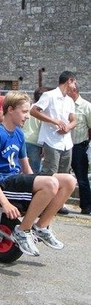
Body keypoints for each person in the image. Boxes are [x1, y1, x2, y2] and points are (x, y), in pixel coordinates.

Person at [0, 91, 76, 257]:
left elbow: (27, 170)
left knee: (69, 181)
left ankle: (41, 227)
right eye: (24, 112)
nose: (28, 116)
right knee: (51, 183)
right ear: (10, 110)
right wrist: (5, 203)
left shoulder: (18, 133)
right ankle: (22, 230)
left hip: (17, 180)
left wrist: (37, 187)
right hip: (4, 183)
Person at [30, 71, 77, 214]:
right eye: (74, 82)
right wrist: (55, 121)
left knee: (65, 173)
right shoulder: (49, 95)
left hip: (66, 142)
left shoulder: (69, 100)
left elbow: (74, 119)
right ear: (69, 81)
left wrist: (68, 126)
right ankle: (42, 202)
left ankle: (58, 204)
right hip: (51, 140)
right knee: (50, 171)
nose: (75, 86)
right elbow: (34, 111)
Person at [67, 85, 91, 215]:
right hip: (64, 146)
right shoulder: (64, 104)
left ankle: (86, 206)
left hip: (79, 146)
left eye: (67, 89)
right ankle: (59, 205)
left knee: (82, 177)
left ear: (73, 91)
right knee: (62, 175)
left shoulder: (86, 106)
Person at [23, 87, 51, 173]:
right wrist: (44, 146)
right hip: (35, 143)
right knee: (34, 171)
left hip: (23, 140)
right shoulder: (43, 112)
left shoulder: (28, 108)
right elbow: (43, 130)